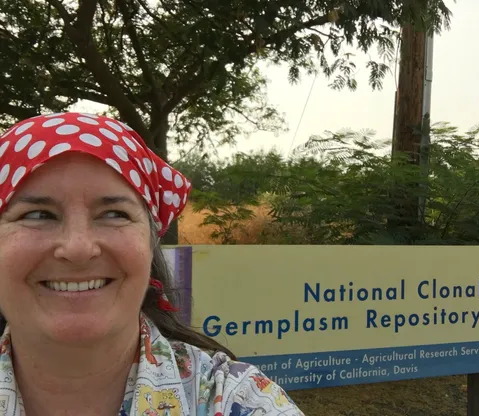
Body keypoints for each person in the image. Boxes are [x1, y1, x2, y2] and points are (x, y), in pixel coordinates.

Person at [0, 112, 305, 416]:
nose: (78, 248)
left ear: (150, 242)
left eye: (115, 214)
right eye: (38, 215)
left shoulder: (239, 401)